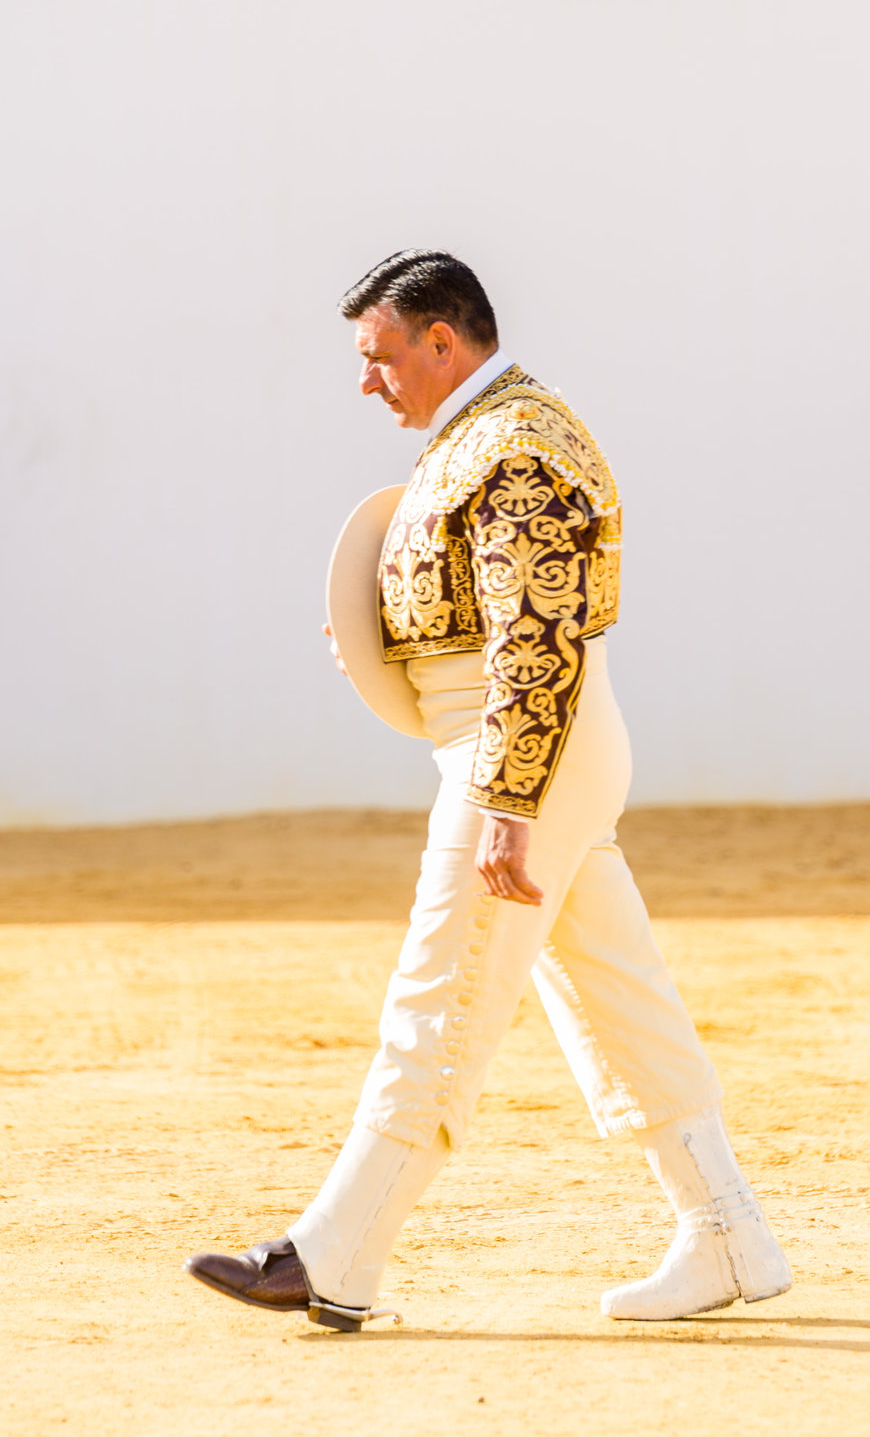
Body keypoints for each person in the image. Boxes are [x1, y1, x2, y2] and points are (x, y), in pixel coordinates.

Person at [185, 250, 790, 1330]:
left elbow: (536, 631)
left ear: (439, 340)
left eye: (377, 358)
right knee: (613, 988)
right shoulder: (485, 435)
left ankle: (333, 1256)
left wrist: (511, 800)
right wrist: (385, 638)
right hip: (525, 742)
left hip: (520, 747)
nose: (368, 382)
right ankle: (728, 1233)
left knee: (442, 990)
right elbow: (483, 609)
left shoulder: (512, 444)